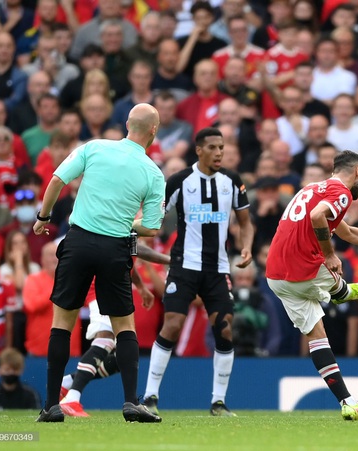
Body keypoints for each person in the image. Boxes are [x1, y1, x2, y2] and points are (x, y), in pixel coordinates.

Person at [33, 103, 166, 423]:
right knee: (124, 327)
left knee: (62, 322)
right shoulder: (153, 172)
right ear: (153, 131)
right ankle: (131, 403)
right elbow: (152, 227)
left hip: (77, 242)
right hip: (114, 248)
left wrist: (44, 218)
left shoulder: (94, 147)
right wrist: (123, 221)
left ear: (126, 124)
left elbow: (55, 181)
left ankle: (52, 406)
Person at [266, 150, 358, 421]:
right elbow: (318, 217)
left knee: (317, 337)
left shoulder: (312, 188)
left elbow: (347, 232)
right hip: (303, 269)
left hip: (276, 277)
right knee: (338, 283)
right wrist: (330, 253)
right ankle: (342, 291)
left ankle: (347, 401)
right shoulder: (341, 191)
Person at [142, 127, 254, 418]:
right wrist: (138, 230)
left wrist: (248, 247)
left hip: (217, 269)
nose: (219, 152)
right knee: (173, 325)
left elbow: (245, 221)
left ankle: (218, 402)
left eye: (222, 147)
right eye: (213, 147)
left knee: (225, 328)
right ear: (199, 150)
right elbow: (157, 217)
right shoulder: (180, 181)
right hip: (184, 267)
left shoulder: (232, 181)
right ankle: (150, 396)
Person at [58, 243, 171, 417]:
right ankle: (72, 398)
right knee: (106, 337)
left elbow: (128, 258)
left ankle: (69, 382)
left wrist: (140, 287)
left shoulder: (126, 228)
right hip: (101, 287)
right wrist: (170, 259)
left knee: (122, 358)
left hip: (111, 286)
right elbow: (138, 249)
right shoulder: (125, 220)